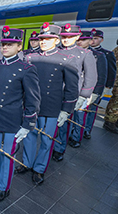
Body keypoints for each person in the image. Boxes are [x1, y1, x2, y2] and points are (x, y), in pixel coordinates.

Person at [0, 26, 40, 202]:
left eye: (10, 44)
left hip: (11, 119)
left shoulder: (26, 68)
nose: (5, 47)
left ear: (19, 46)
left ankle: (3, 187)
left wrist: (28, 124)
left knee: (7, 154)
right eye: (3, 44)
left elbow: (32, 99)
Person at [18, 23, 78, 185]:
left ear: (56, 39)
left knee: (47, 140)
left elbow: (72, 88)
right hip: (30, 105)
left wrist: (66, 110)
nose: (43, 41)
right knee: (29, 136)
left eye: (48, 38)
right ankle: (27, 163)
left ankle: (39, 169)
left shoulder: (66, 59)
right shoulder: (29, 57)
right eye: (41, 38)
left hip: (51, 107)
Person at [53, 24, 96, 161]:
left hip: (70, 95)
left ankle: (59, 149)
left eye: (70, 36)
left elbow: (91, 77)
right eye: (64, 36)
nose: (66, 39)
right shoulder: (55, 51)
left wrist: (83, 96)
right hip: (53, 94)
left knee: (64, 124)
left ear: (77, 37)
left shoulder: (85, 54)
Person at [72, 30, 107, 143]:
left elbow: (101, 76)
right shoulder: (71, 53)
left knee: (80, 117)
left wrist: (95, 93)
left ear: (90, 41)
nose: (80, 42)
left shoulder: (98, 55)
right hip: (72, 90)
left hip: (86, 91)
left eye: (84, 40)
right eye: (79, 40)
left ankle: (76, 139)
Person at [91, 29, 118, 133]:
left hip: (104, 84)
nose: (93, 41)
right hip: (95, 86)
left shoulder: (108, 53)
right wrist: (109, 85)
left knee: (92, 110)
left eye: (96, 38)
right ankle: (110, 121)